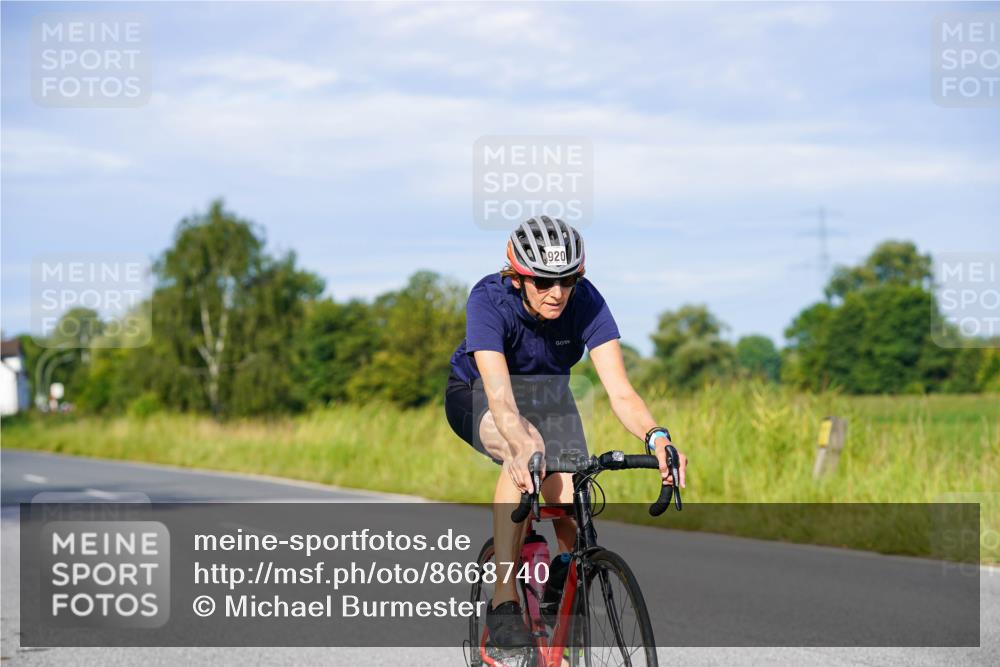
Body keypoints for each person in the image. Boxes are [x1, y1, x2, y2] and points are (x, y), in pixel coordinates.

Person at [444, 216, 688, 649]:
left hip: (549, 395)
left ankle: (560, 582)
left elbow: (621, 392)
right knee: (526, 451)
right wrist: (521, 444)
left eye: (568, 280)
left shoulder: (586, 301)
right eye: (542, 282)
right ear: (517, 278)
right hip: (480, 391)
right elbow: (501, 400)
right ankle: (504, 603)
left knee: (575, 493)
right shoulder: (488, 299)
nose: (557, 293)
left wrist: (657, 437)